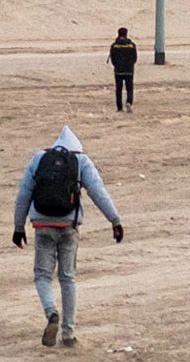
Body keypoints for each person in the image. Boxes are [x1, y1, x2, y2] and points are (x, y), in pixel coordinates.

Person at [11, 126, 122, 348]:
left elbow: (24, 192)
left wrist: (18, 226)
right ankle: (68, 333)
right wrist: (115, 220)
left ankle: (51, 312)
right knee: (67, 278)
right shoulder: (81, 161)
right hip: (69, 224)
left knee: (42, 276)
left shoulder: (39, 158)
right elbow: (98, 191)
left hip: (42, 223)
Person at [109, 27, 138, 113]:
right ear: (126, 34)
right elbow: (135, 58)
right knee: (129, 88)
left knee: (118, 89)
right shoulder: (131, 45)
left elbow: (112, 58)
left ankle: (119, 107)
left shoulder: (114, 45)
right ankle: (129, 102)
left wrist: (116, 65)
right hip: (129, 69)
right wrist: (130, 64)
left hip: (118, 70)